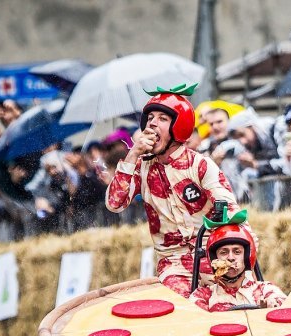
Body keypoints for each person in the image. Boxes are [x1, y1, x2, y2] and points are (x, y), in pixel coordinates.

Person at [105, 84, 247, 298]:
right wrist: (133, 154)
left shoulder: (201, 165)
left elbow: (233, 214)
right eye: (150, 118)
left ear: (178, 126)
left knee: (235, 303)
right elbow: (114, 204)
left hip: (215, 256)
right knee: (185, 308)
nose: (152, 123)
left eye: (162, 118)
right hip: (173, 265)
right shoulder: (140, 167)